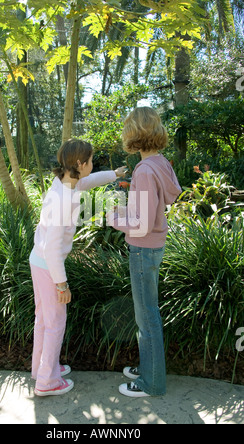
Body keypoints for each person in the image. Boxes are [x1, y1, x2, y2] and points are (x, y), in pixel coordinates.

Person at [30, 138, 126, 397]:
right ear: (80, 164)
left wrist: (113, 174)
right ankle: (47, 382)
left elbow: (87, 181)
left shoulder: (63, 183)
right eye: (91, 161)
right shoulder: (63, 200)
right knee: (56, 323)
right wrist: (62, 284)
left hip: (37, 261)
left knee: (44, 318)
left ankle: (41, 369)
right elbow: (52, 248)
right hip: (48, 264)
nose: (92, 165)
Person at [107, 107, 182, 397]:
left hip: (142, 249)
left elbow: (141, 225)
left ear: (134, 133)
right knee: (147, 314)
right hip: (153, 247)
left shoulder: (145, 170)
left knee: (146, 317)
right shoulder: (160, 163)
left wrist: (113, 219)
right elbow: (147, 212)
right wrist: (122, 209)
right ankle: (150, 368)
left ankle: (152, 382)